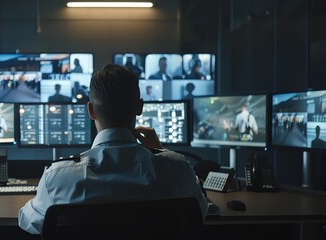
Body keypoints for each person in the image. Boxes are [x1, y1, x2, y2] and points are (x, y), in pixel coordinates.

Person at [18, 64, 208, 235]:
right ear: (139, 107)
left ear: (91, 111)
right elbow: (201, 210)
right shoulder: (178, 170)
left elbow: (28, 221)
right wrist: (160, 152)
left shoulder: (57, 177)